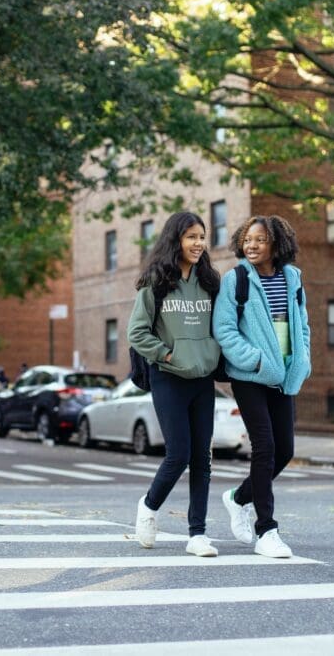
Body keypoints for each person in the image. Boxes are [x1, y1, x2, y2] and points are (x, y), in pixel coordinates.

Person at [212, 215, 311, 558]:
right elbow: (224, 329)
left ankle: (238, 498)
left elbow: (302, 323)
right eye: (247, 239)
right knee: (265, 446)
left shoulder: (292, 278)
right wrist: (253, 360)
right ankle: (267, 530)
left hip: (284, 374)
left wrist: (303, 357)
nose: (251, 245)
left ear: (277, 245)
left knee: (284, 450)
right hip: (250, 374)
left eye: (260, 240)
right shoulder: (236, 279)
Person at [127, 211, 222, 557]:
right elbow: (136, 332)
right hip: (168, 377)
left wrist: (211, 356)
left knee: (202, 458)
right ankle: (149, 507)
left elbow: (221, 326)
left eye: (202, 237)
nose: (198, 244)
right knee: (178, 454)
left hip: (202, 378)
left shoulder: (211, 281)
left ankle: (197, 534)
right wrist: (166, 355)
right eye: (191, 237)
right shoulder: (156, 281)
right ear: (176, 240)